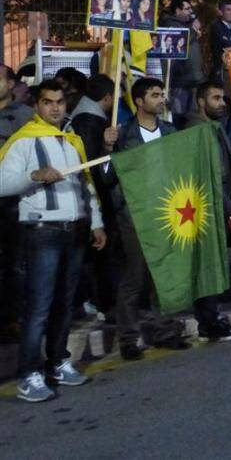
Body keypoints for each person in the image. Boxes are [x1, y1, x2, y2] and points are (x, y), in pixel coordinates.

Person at [0, 80, 106, 402]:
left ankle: (58, 362)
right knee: (39, 307)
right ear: (37, 106)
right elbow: (2, 184)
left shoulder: (71, 140)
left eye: (60, 102)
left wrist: (97, 223)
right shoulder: (23, 142)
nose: (56, 108)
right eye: (48, 102)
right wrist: (32, 176)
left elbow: (85, 185)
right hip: (42, 232)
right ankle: (29, 374)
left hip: (74, 231)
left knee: (65, 304)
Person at [105, 78, 190, 359]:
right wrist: (107, 150)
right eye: (154, 95)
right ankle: (128, 338)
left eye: (161, 94)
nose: (161, 99)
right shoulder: (123, 135)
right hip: (135, 215)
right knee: (135, 276)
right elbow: (106, 177)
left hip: (166, 212)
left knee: (163, 275)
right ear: (139, 101)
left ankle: (165, 331)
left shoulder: (169, 130)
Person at [183, 83, 231, 340]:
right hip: (207, 208)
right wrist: (228, 204)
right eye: (215, 98)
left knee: (215, 265)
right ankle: (209, 322)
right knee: (208, 266)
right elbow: (210, 174)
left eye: (222, 98)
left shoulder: (212, 126)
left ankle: (212, 317)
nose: (221, 103)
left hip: (216, 205)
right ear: (200, 101)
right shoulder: (197, 130)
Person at [67, 75, 119, 320]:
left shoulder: (82, 117)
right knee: (98, 254)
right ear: (107, 97)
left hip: (87, 200)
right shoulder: (89, 123)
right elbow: (91, 169)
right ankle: (100, 301)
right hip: (92, 199)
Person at [0, 65, 33, 338]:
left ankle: (14, 318)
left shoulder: (25, 117)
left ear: (11, 83)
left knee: (15, 263)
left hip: (13, 200)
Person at [159, 0, 206, 127]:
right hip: (180, 81)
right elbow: (179, 41)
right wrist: (193, 29)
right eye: (187, 9)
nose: (190, 12)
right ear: (177, 10)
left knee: (192, 116)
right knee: (179, 116)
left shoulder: (185, 25)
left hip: (191, 80)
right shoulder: (170, 23)